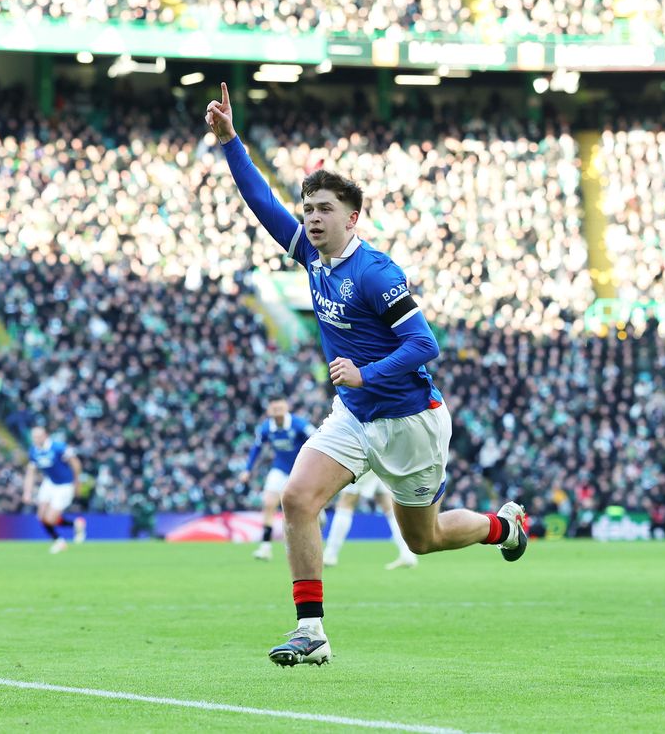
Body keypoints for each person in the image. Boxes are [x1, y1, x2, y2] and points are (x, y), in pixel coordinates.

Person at [206, 82, 528, 667]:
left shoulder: (378, 272)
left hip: (411, 421)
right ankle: (311, 632)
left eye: (324, 210)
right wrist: (231, 144)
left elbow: (424, 344)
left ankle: (501, 527)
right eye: (309, 210)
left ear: (352, 217)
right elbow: (262, 204)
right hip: (354, 416)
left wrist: (365, 373)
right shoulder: (310, 254)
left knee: (421, 540)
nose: (312, 219)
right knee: (298, 498)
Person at [239, 396, 317, 561]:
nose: (278, 413)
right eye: (275, 410)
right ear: (269, 411)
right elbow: (256, 449)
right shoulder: (266, 427)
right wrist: (247, 470)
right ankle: (265, 547)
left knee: (307, 509)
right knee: (268, 503)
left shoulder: (299, 424)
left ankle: (315, 524)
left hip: (301, 471)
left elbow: (318, 437)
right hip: (280, 469)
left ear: (286, 408)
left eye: (280, 409)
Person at [322, 471, 419, 570]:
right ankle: (407, 554)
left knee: (346, 503)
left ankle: (330, 555)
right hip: (381, 461)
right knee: (387, 503)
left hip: (365, 460)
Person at [22, 426, 86, 554]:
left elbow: (75, 463)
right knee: (40, 516)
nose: (35, 439)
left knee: (50, 519)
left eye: (38, 436)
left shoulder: (58, 447)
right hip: (50, 483)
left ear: (45, 435)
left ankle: (75, 524)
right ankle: (59, 541)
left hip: (65, 485)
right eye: (33, 437)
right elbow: (31, 473)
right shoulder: (33, 451)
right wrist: (27, 492)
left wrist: (77, 482)